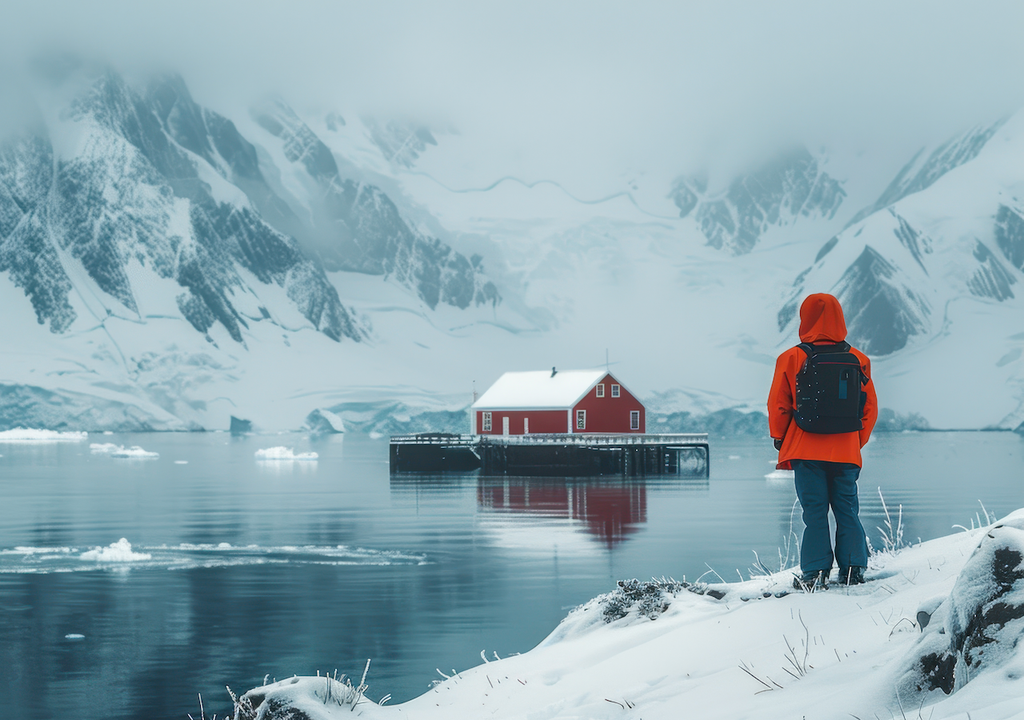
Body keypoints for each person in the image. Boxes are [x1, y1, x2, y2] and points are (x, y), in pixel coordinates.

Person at [768, 293, 878, 589]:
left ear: (805, 318)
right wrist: (854, 442)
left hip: (806, 449)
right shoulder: (859, 359)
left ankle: (815, 573)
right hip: (846, 452)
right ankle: (854, 567)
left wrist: (780, 438)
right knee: (847, 509)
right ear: (840, 318)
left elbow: (779, 404)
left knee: (814, 512)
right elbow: (869, 409)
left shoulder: (791, 358)